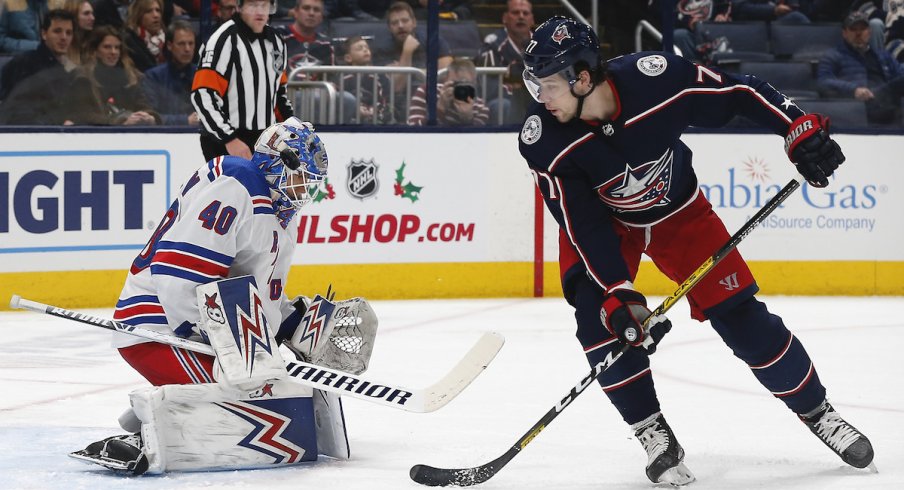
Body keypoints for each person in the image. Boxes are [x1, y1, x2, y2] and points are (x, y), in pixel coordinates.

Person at [518, 16, 874, 485]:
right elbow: (581, 224)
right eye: (535, 85)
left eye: (547, 85)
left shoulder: (656, 80)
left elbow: (740, 91)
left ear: (583, 78)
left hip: (680, 215)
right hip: (606, 229)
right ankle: (652, 432)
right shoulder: (545, 140)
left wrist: (796, 126)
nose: (540, 98)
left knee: (744, 322)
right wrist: (619, 293)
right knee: (601, 320)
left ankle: (819, 413)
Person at [68, 118, 365, 475]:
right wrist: (222, 346)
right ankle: (144, 434)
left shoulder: (279, 215)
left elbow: (259, 296)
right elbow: (178, 274)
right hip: (159, 325)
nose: (304, 193)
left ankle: (151, 412)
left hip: (205, 329)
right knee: (258, 407)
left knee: (279, 404)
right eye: (300, 179)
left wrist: (295, 323)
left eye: (310, 185)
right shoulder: (235, 182)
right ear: (276, 161)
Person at [192, 0, 295, 161]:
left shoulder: (276, 42)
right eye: (253, 5)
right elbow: (203, 94)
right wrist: (229, 139)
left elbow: (278, 96)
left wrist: (293, 129)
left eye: (264, 5)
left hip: (264, 141)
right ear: (239, 7)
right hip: (225, 141)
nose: (260, 12)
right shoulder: (223, 39)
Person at [817, 10, 904, 125]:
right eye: (853, 29)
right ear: (844, 33)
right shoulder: (833, 55)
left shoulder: (883, 55)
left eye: (862, 29)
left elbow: (899, 77)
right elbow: (823, 82)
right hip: (857, 109)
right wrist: (854, 90)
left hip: (888, 104)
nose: (858, 33)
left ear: (869, 31)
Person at [67, 25, 160, 125]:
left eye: (117, 48)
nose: (113, 52)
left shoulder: (133, 76)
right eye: (107, 47)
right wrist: (121, 122)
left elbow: (144, 105)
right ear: (95, 51)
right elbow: (84, 115)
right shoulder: (83, 77)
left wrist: (148, 116)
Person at [0, 9, 76, 125]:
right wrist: (59, 123)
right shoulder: (25, 64)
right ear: (44, 34)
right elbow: (18, 112)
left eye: (69, 33)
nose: (64, 37)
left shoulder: (65, 70)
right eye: (57, 31)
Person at [476, 0, 534, 124]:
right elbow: (490, 89)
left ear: (532, 20)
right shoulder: (492, 45)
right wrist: (521, 90)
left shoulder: (543, 45)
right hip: (506, 100)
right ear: (505, 18)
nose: (521, 16)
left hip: (536, 97)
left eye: (525, 13)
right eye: (515, 12)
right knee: (502, 105)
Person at [141, 20, 199, 126]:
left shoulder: (203, 75)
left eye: (191, 43)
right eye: (181, 44)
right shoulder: (153, 77)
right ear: (169, 45)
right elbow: (151, 116)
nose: (187, 49)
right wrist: (185, 121)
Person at [407, 57, 489, 126]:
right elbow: (413, 129)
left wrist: (467, 119)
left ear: (474, 83)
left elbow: (476, 141)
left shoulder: (480, 107)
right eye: (455, 83)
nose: (460, 88)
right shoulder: (426, 92)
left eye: (465, 83)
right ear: (445, 79)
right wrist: (439, 109)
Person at [341, 35, 392, 123]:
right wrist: (356, 109)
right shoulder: (343, 78)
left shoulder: (379, 76)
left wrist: (373, 110)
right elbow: (341, 101)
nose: (365, 50)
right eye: (360, 48)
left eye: (367, 48)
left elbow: (384, 99)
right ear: (348, 58)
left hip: (375, 116)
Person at [283, 0, 334, 74]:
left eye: (316, 10)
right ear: (296, 12)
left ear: (321, 17)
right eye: (306, 8)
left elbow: (332, 79)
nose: (311, 13)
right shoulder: (276, 37)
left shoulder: (326, 44)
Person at [123, 0, 166, 72]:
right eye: (149, 11)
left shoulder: (168, 37)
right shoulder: (130, 40)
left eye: (158, 10)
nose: (156, 15)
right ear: (139, 15)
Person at [732, 0, 811, 24]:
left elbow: (795, 7)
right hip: (754, 25)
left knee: (797, 17)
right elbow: (741, 7)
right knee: (797, 17)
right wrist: (773, 10)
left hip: (778, 24)